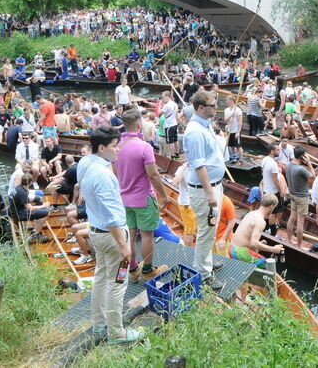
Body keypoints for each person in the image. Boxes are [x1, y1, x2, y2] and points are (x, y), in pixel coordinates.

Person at [78, 126, 141, 344]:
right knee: (117, 283)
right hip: (112, 237)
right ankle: (117, 332)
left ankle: (98, 324)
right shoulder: (104, 175)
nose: (119, 150)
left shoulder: (85, 163)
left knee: (102, 278)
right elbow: (113, 217)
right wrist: (125, 247)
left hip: (96, 232)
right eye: (115, 146)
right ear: (102, 147)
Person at [117, 109, 170, 282]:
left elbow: (116, 174)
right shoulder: (144, 147)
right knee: (147, 236)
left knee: (131, 235)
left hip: (125, 198)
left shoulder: (117, 147)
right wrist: (164, 196)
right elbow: (153, 175)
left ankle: (132, 269)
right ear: (139, 125)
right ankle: (147, 270)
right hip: (143, 198)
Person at [182, 90, 227, 290]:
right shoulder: (195, 132)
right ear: (201, 108)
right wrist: (210, 193)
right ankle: (203, 272)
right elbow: (198, 165)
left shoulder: (205, 125)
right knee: (206, 230)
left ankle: (207, 260)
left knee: (211, 229)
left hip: (215, 185)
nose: (216, 108)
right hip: (204, 190)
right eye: (212, 105)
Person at [228, 193, 284, 267]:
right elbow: (254, 243)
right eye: (274, 207)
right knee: (268, 265)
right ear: (272, 206)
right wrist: (273, 249)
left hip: (231, 248)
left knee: (257, 257)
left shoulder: (251, 213)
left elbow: (249, 242)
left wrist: (259, 244)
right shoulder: (261, 221)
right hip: (240, 252)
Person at [285, 146, 314, 248]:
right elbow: (313, 177)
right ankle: (299, 245)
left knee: (292, 218)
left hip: (292, 195)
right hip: (302, 197)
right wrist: (309, 164)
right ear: (303, 156)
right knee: (300, 222)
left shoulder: (288, 165)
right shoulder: (301, 169)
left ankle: (289, 239)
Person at [9, 173, 51, 243]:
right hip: (19, 214)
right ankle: (36, 233)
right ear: (30, 182)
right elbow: (30, 208)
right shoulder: (23, 192)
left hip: (15, 209)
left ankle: (37, 221)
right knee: (47, 213)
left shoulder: (19, 187)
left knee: (38, 200)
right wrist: (43, 206)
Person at [261, 143, 289, 235]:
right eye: (277, 150)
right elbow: (276, 180)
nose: (279, 151)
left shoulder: (265, 159)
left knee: (266, 211)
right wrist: (281, 192)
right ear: (272, 151)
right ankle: (273, 234)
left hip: (266, 190)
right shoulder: (273, 164)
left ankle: (265, 229)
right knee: (272, 213)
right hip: (273, 192)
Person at [224, 95, 243, 162]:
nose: (226, 102)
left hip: (236, 130)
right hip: (230, 130)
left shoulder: (238, 110)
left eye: (227, 100)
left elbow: (240, 122)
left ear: (231, 101)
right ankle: (234, 157)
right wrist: (231, 115)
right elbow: (225, 120)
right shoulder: (226, 110)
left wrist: (238, 132)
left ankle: (241, 159)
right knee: (232, 145)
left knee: (238, 146)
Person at [161, 91, 179, 158]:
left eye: (163, 97)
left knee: (170, 142)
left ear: (167, 97)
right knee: (175, 140)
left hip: (169, 125)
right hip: (174, 124)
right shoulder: (175, 104)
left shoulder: (167, 105)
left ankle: (172, 156)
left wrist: (161, 105)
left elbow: (159, 114)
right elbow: (177, 115)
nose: (162, 99)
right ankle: (177, 155)